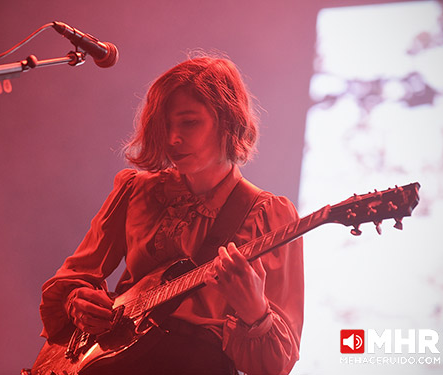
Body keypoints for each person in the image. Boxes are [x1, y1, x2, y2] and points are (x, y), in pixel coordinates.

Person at [39, 55, 304, 375]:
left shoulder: (269, 214)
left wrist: (255, 311)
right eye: (166, 125)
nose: (173, 138)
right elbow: (73, 277)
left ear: (228, 121)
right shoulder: (135, 190)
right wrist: (77, 302)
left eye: (189, 122)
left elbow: (277, 363)